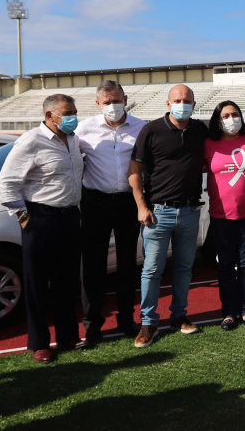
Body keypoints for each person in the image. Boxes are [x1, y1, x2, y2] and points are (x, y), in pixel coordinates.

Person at [0, 94, 85, 363]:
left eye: (74, 111)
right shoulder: (31, 141)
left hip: (69, 217)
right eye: (67, 113)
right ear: (49, 115)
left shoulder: (72, 139)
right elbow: (7, 181)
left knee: (67, 281)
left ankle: (68, 336)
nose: (73, 117)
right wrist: (23, 217)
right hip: (41, 218)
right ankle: (38, 343)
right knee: (37, 283)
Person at [128, 84, 206, 348]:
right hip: (158, 212)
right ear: (167, 103)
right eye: (177, 99)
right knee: (151, 270)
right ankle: (148, 322)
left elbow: (231, 135)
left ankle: (179, 316)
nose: (182, 103)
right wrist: (141, 206)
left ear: (194, 105)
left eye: (187, 100)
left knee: (184, 268)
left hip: (190, 210)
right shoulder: (150, 130)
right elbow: (135, 171)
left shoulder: (200, 130)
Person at [76, 81, 147, 348]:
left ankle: (127, 320)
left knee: (128, 263)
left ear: (125, 99)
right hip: (95, 202)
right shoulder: (84, 129)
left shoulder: (141, 127)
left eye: (116, 100)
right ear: (97, 104)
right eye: (106, 102)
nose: (112, 106)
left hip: (128, 202)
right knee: (93, 266)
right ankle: (92, 326)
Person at [205, 100, 245, 331]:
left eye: (235, 114)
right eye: (225, 115)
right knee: (225, 265)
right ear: (218, 120)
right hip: (221, 215)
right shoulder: (208, 144)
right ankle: (228, 312)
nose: (231, 119)